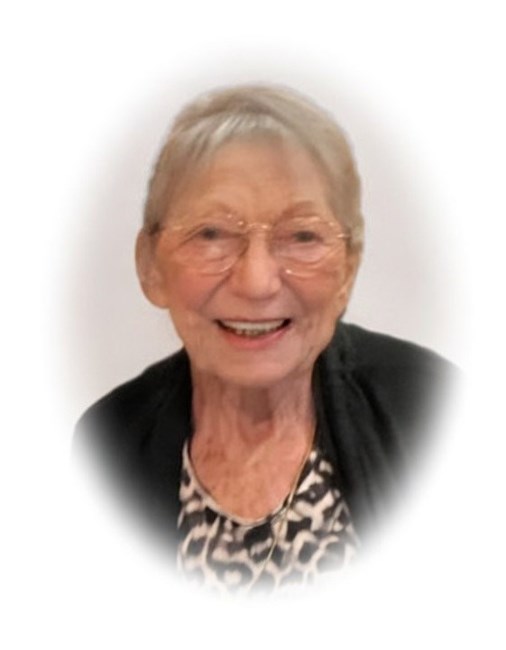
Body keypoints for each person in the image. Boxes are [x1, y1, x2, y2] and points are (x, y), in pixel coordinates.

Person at [75, 83, 453, 592]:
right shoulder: (106, 444)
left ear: (348, 269)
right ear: (150, 266)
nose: (257, 283)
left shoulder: (436, 408)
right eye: (211, 234)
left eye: (302, 236)